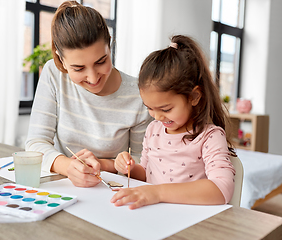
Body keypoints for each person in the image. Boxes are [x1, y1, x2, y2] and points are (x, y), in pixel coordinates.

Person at [25, 1, 152, 187]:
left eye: (101, 61)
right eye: (78, 68)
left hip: (114, 193)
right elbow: (36, 143)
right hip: (64, 189)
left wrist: (103, 165)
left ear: (110, 46)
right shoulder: (54, 73)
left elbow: (143, 162)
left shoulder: (138, 94)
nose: (93, 79)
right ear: (61, 59)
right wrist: (68, 167)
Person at [111, 35, 236, 210]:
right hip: (156, 213)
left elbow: (222, 189)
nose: (157, 117)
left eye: (166, 109)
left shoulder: (209, 136)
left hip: (190, 220)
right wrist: (129, 168)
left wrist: (158, 193)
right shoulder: (153, 130)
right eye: (150, 108)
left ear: (194, 97)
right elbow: (147, 174)